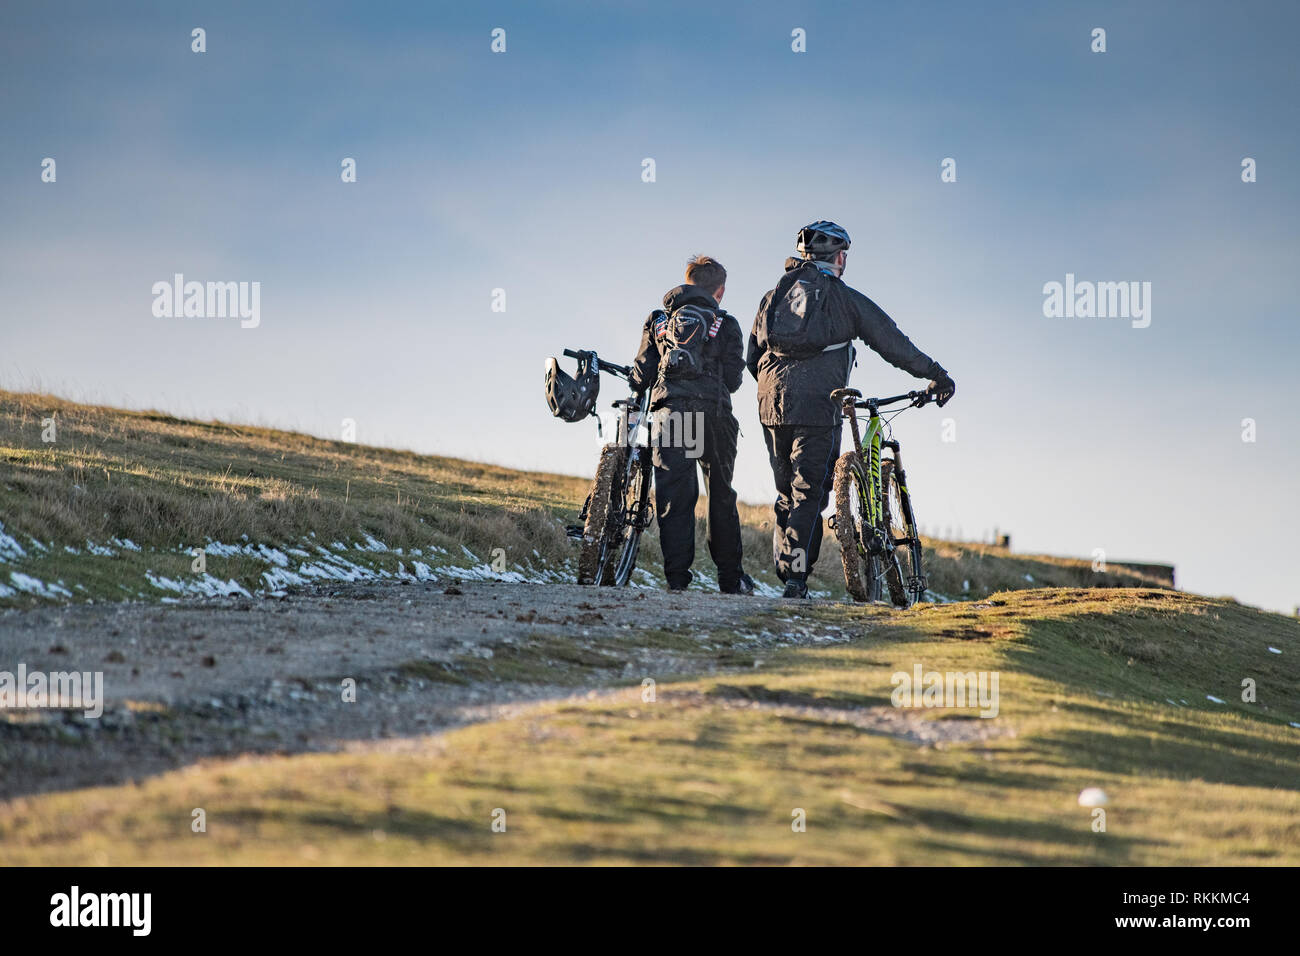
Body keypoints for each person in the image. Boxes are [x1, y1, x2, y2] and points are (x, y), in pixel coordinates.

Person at [746, 221, 955, 598]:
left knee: (786, 489)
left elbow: (752, 356)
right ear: (839, 257)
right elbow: (892, 342)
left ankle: (786, 562)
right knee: (809, 492)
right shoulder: (844, 298)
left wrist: (773, 388)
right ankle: (795, 579)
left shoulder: (772, 296)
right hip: (820, 402)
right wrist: (936, 375)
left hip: (770, 401)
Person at [630, 255, 755, 594]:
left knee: (675, 496)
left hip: (672, 415)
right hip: (712, 415)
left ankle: (677, 580)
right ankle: (730, 580)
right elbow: (733, 379)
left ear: (686, 281)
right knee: (720, 495)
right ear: (720, 291)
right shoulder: (725, 322)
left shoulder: (659, 320)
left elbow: (641, 374)